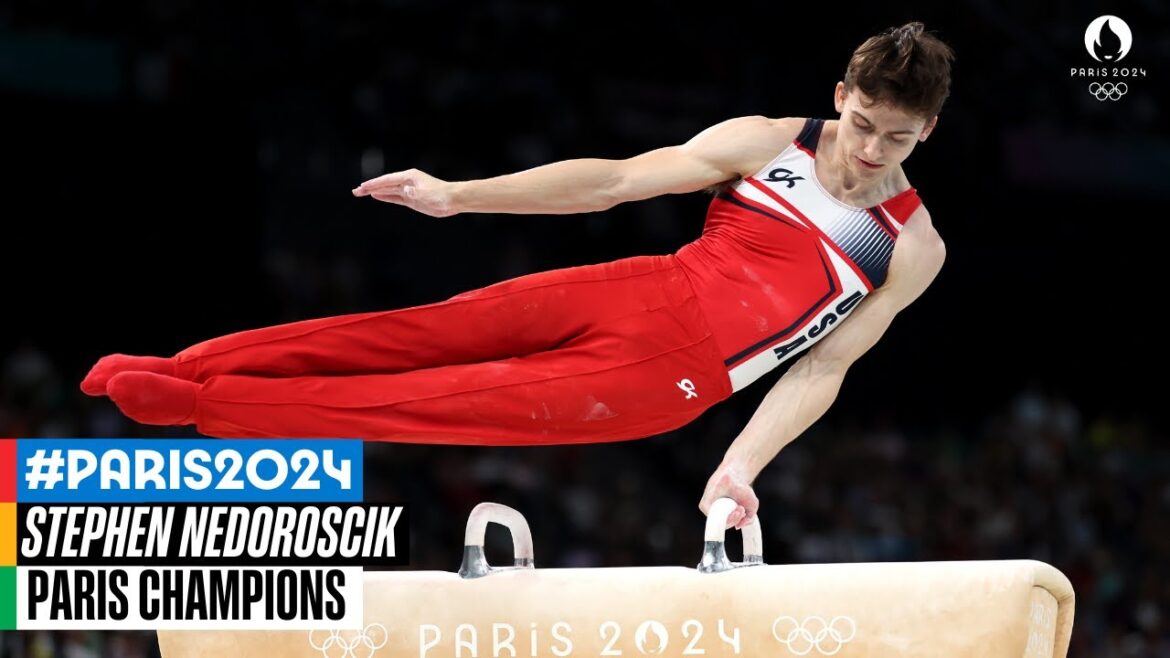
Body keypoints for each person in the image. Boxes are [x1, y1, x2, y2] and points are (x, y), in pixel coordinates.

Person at [82, 22, 953, 529]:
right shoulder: (767, 141)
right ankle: (190, 364)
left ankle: (202, 407)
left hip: (666, 378)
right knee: (413, 333)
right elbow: (613, 181)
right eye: (864, 123)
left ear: (929, 133)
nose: (871, 150)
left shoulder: (908, 245)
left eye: (898, 138)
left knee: (429, 400)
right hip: (639, 285)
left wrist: (740, 465)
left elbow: (823, 366)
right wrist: (459, 196)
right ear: (840, 95)